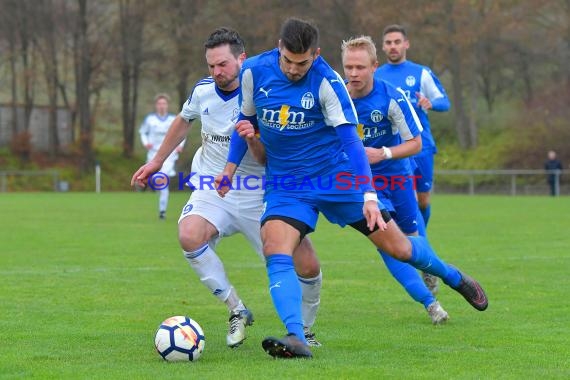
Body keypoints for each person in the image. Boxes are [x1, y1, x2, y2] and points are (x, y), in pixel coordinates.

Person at [218, 18, 487, 359]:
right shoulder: (254, 72)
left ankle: (452, 276)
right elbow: (247, 122)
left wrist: (370, 196)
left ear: (315, 55)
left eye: (302, 63)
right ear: (279, 47)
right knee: (275, 247)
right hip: (287, 184)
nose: (294, 69)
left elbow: (352, 142)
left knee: (401, 249)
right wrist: (229, 169)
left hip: (337, 178)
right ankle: (296, 336)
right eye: (288, 60)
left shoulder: (329, 81)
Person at [131, 28, 323, 348]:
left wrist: (254, 138)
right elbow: (183, 119)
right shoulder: (204, 90)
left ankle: (305, 330)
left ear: (242, 59)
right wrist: (157, 162)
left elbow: (269, 155)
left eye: (222, 64)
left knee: (307, 264)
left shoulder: (265, 94)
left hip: (258, 192)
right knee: (189, 234)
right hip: (212, 186)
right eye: (211, 66)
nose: (216, 72)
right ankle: (236, 308)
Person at [342, 35, 448, 324]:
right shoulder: (335, 99)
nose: (353, 74)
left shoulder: (391, 96)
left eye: (360, 67)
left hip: (398, 176)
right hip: (365, 186)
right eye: (348, 67)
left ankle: (432, 268)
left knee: (413, 240)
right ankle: (430, 304)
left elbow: (415, 143)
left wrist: (383, 153)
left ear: (374, 66)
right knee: (387, 244)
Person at [375, 24, 451, 293]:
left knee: (422, 201)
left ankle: (418, 243)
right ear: (383, 47)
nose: (393, 46)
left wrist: (431, 104)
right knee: (404, 206)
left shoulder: (421, 73)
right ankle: (422, 253)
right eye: (388, 42)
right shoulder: (376, 75)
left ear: (406, 44)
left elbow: (445, 101)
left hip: (420, 148)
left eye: (397, 41)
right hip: (390, 154)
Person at [139, 94, 184, 219]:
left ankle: (162, 211)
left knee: (162, 179)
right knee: (160, 181)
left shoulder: (173, 119)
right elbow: (143, 132)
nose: (162, 106)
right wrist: (146, 142)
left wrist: (180, 145)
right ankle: (153, 188)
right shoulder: (150, 119)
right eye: (159, 104)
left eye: (164, 103)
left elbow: (182, 133)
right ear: (156, 105)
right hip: (153, 154)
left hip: (169, 154)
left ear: (167, 105)